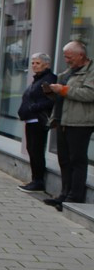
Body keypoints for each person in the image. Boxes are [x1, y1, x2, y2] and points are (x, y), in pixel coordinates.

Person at [44, 41, 94, 210]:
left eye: (69, 57)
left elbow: (90, 94)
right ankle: (64, 195)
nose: (66, 60)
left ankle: (74, 198)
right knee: (64, 160)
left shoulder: (91, 71)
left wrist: (64, 90)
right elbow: (61, 98)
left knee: (76, 160)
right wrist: (52, 93)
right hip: (63, 121)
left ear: (81, 55)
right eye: (65, 57)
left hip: (80, 123)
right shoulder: (69, 72)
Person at [17, 53, 56, 193]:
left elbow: (52, 100)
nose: (34, 65)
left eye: (37, 63)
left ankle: (38, 181)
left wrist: (34, 108)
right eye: (33, 63)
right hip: (31, 119)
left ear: (47, 64)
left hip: (39, 120)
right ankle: (35, 179)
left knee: (36, 150)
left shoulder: (49, 79)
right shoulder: (38, 79)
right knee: (31, 149)